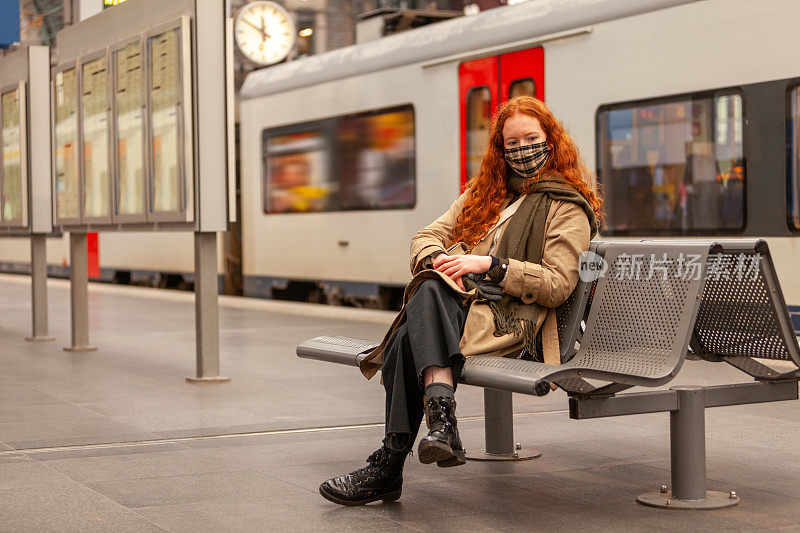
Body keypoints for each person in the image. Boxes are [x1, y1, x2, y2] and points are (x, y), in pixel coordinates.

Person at [319, 96, 602, 506]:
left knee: (411, 330)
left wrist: (491, 264)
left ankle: (391, 464)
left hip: (513, 321)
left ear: (551, 141)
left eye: (531, 139)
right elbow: (425, 236)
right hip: (459, 309)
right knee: (432, 287)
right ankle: (439, 423)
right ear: (500, 149)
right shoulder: (485, 193)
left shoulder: (566, 207)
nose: (522, 149)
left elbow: (557, 284)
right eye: (512, 143)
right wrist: (439, 259)